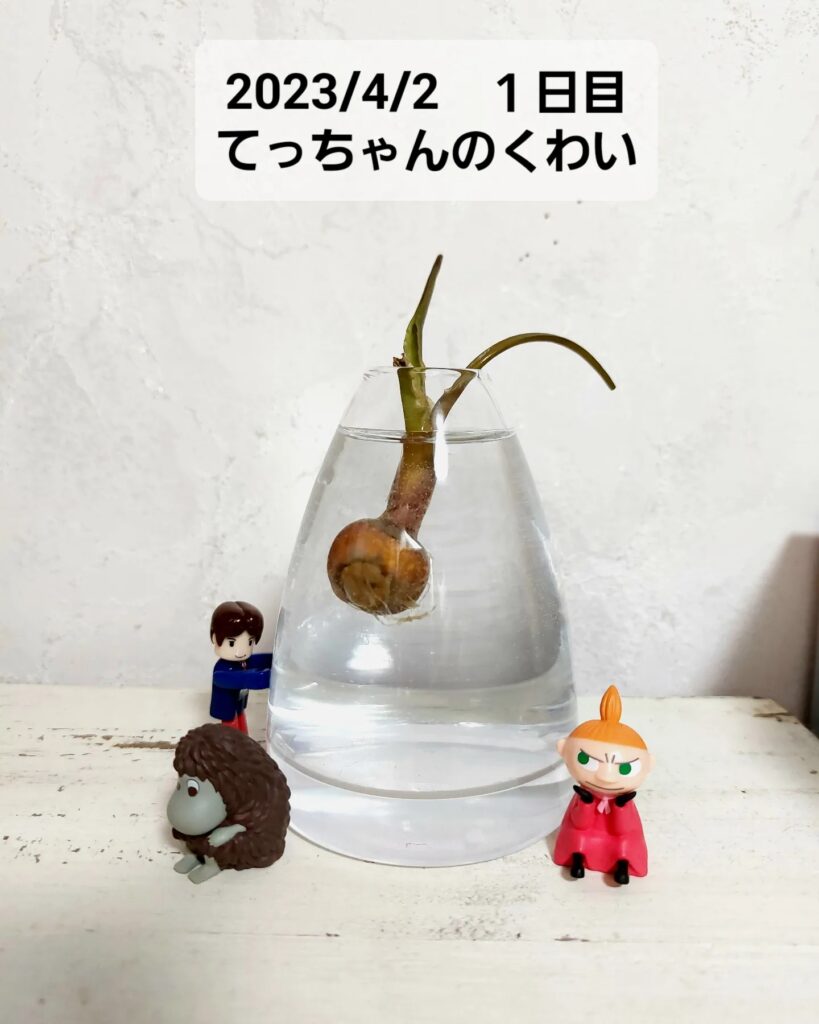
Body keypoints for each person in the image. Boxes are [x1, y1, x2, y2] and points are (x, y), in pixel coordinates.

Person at [552, 685, 654, 885]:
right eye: (587, 760)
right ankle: (577, 860)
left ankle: (622, 866)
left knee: (624, 844)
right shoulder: (582, 795)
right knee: (577, 837)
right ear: (563, 750)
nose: (606, 777)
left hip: (617, 835)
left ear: (648, 765)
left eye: (624, 768)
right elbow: (579, 823)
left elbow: (623, 830)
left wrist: (621, 806)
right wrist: (586, 803)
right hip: (584, 830)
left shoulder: (623, 799)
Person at [209, 600, 272, 733]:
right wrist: (263, 677)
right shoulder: (221, 670)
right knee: (231, 731)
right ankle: (235, 745)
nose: (242, 651)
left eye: (250, 642)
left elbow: (258, 661)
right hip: (226, 708)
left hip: (239, 703)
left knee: (242, 722)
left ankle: (244, 742)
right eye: (232, 643)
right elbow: (239, 679)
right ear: (215, 638)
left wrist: (274, 660)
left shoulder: (243, 662)